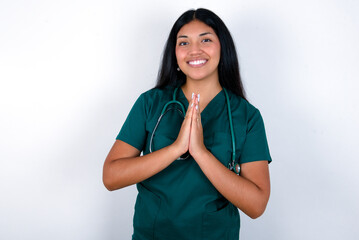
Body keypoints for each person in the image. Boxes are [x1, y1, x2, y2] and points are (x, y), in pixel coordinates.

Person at [103, 8, 272, 240]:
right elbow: (111, 177)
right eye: (184, 43)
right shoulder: (150, 103)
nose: (194, 50)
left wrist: (201, 152)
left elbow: (256, 205)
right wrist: (175, 149)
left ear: (223, 47)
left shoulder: (247, 116)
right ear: (175, 54)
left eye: (206, 40)